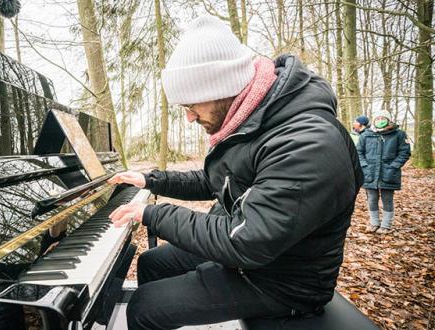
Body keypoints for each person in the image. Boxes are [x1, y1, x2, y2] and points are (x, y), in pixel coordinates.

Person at [107, 16, 363, 329]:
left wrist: (153, 215)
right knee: (152, 262)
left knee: (144, 307)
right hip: (262, 257)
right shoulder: (258, 122)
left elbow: (246, 241)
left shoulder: (307, 144)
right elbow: (215, 180)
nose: (188, 117)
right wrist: (151, 180)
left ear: (222, 86)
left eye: (192, 104)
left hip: (285, 281)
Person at [356, 111, 411, 234]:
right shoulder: (365, 135)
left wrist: (393, 166)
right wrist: (365, 165)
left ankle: (386, 225)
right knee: (371, 198)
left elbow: (404, 152)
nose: (380, 120)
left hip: (389, 172)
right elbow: (358, 152)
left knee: (387, 199)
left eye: (383, 118)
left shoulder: (399, 134)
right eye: (378, 118)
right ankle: (374, 223)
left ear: (389, 120)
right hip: (370, 172)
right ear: (374, 120)